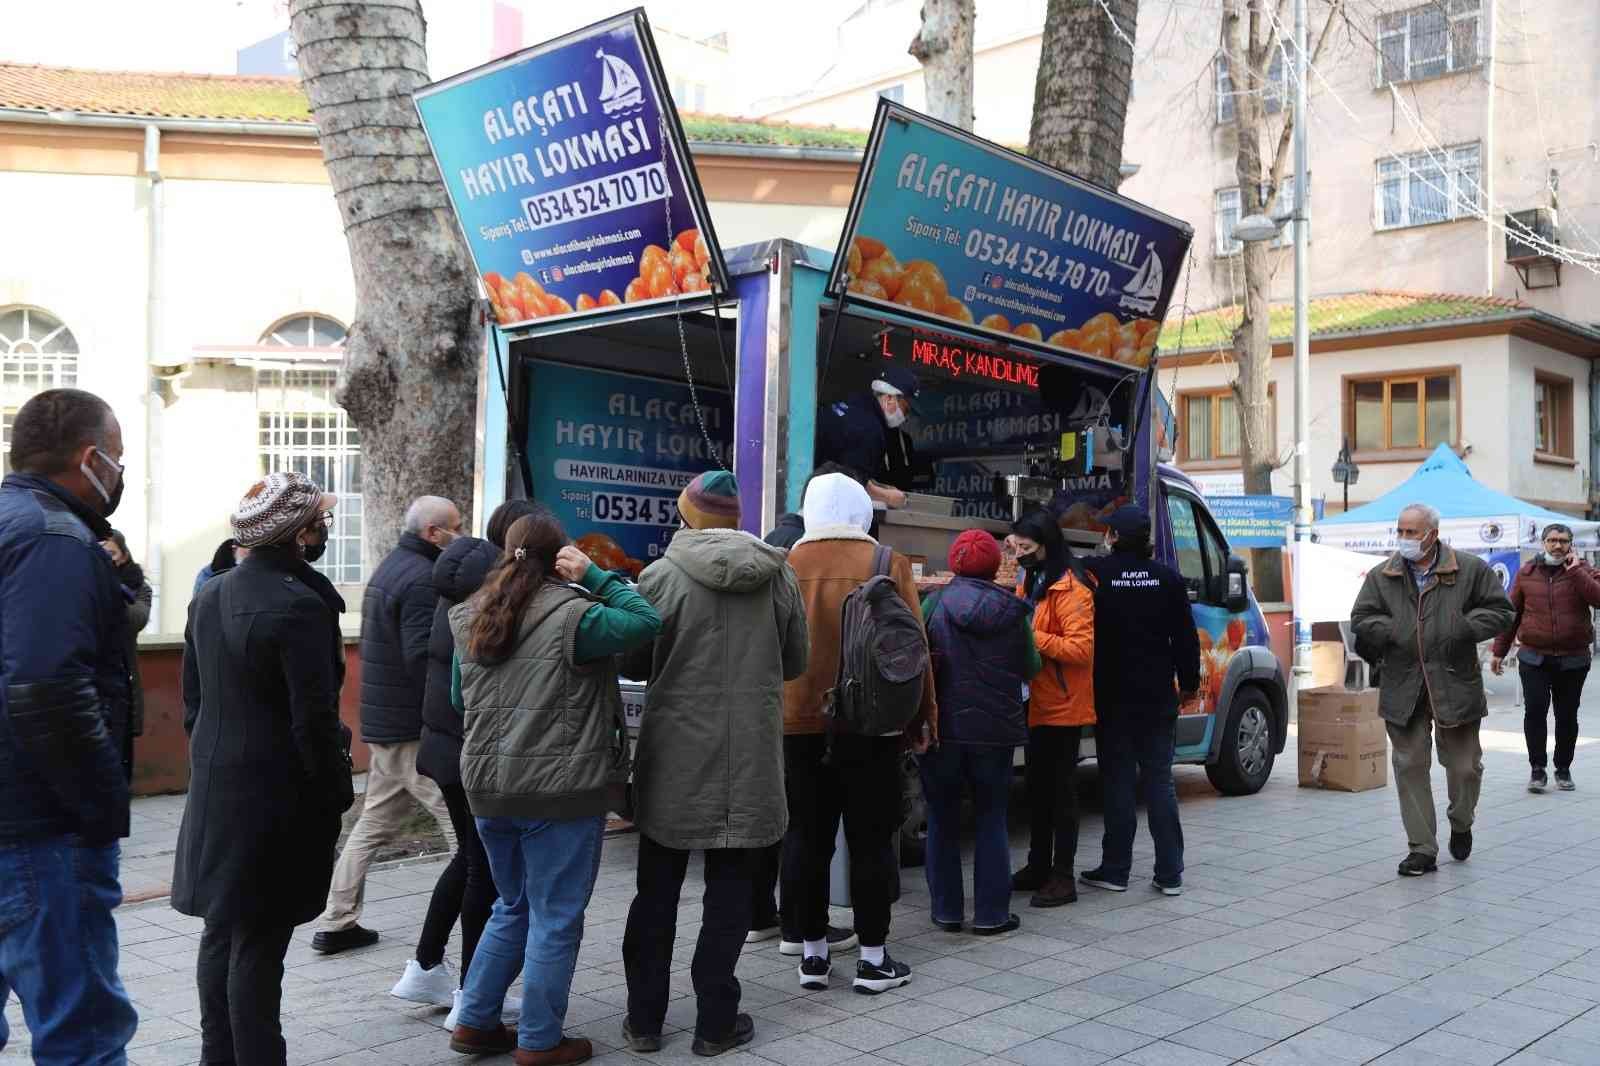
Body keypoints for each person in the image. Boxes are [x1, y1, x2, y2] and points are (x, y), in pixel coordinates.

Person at [446, 513, 661, 1064]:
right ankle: (540, 1041)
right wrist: (597, 576)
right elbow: (645, 619)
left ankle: (473, 1022)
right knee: (555, 916)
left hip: (488, 790)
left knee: (512, 905)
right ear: (559, 557)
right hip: (560, 791)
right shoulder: (576, 617)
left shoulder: (471, 616)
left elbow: (457, 699)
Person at [619, 471, 808, 1056]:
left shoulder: (658, 577)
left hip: (674, 756)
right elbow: (795, 661)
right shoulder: (779, 574)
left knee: (656, 893)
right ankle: (715, 1023)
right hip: (749, 756)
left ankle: (645, 1020)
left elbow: (634, 659)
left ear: (687, 516)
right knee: (729, 896)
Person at [172, 473, 356, 1066]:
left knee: (222, 931)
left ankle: (216, 1058)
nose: (324, 528)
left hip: (217, 788)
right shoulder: (301, 604)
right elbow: (314, 720)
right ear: (295, 532)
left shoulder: (209, 594)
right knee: (258, 942)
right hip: (276, 798)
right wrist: (333, 794)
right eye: (318, 520)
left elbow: (193, 704)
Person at [0, 388, 139, 1063]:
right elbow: (48, 686)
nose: (117, 474)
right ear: (90, 460)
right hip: (41, 831)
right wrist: (101, 803)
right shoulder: (54, 539)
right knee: (81, 1035)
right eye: (116, 460)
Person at [392, 499, 546, 1026]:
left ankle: (426, 966)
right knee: (485, 871)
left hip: (443, 746)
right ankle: (471, 995)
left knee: (469, 860)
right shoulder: (483, 598)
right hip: (466, 749)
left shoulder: (452, 590)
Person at [781, 472, 935, 995]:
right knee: (871, 840)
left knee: (805, 839)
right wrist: (922, 717)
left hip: (797, 723)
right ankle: (872, 959)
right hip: (870, 724)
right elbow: (913, 651)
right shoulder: (883, 562)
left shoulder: (786, 564)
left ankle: (812, 956)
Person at [314, 495, 464, 954]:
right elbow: (423, 657)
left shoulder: (391, 567)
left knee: (372, 825)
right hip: (411, 729)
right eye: (455, 527)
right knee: (465, 828)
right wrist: (449, 714)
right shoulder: (421, 579)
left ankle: (338, 921)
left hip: (385, 724)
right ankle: (486, 911)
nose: (460, 534)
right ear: (433, 533)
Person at [1353, 503, 1515, 877]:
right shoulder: (1383, 575)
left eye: (1413, 532)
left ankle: (1461, 821)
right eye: (1401, 531)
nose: (1405, 539)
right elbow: (1362, 617)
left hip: (1455, 682)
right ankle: (1422, 848)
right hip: (1403, 683)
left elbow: (1502, 611)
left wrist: (1461, 626)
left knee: (1465, 768)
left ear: (1433, 534)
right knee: (1409, 766)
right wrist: (1393, 630)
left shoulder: (1469, 569)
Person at [748, 461, 860, 957]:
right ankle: (802, 930)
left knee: (783, 824)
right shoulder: (876, 561)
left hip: (780, 711)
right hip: (844, 713)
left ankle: (767, 919)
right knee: (817, 832)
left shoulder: (776, 561)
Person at [920, 530, 1040, 934]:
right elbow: (1031, 668)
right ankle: (992, 914)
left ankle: (946, 910)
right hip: (995, 730)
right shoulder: (1013, 611)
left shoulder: (933, 604)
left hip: (944, 729)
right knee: (991, 817)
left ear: (955, 563)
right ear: (994, 566)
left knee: (941, 817)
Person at [1078, 506, 1200, 896]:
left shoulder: (1098, 575)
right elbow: (1185, 637)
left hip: (1111, 697)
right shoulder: (1168, 578)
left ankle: (1115, 870)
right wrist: (1190, 683)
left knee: (1117, 782)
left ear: (1113, 537)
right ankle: (1169, 873)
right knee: (1159, 782)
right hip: (1156, 697)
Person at [1006, 513, 1096, 907]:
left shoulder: (1072, 586)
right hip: (1035, 700)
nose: (1019, 555)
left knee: (1061, 794)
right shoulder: (1033, 578)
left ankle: (1063, 877)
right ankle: (1038, 865)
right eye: (1015, 548)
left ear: (1045, 544)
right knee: (1037, 789)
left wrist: (1030, 636)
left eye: (1026, 548)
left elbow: (1081, 649)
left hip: (1063, 704)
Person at [1492, 523, 1600, 793]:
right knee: (1535, 712)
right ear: (1543, 543)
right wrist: (1498, 651)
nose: (1557, 545)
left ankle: (1563, 769)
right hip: (1534, 657)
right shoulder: (1527, 573)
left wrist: (1574, 570)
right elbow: (1511, 615)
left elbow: (1597, 598)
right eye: (1552, 540)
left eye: (1563, 541)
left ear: (1571, 544)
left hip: (1572, 658)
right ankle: (1537, 770)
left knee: (1566, 716)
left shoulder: (1582, 570)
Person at [814, 366, 921, 509]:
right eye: (906, 409)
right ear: (889, 398)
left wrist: (879, 486)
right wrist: (889, 497)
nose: (905, 417)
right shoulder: (869, 430)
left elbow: (851, 469)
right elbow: (852, 485)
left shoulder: (853, 406)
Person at [104, 529, 153, 782]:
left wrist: (110, 590)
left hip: (123, 685)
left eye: (110, 552)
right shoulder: (84, 582)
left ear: (123, 555)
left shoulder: (138, 586)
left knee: (120, 771)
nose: (105, 557)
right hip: (92, 688)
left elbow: (137, 619)